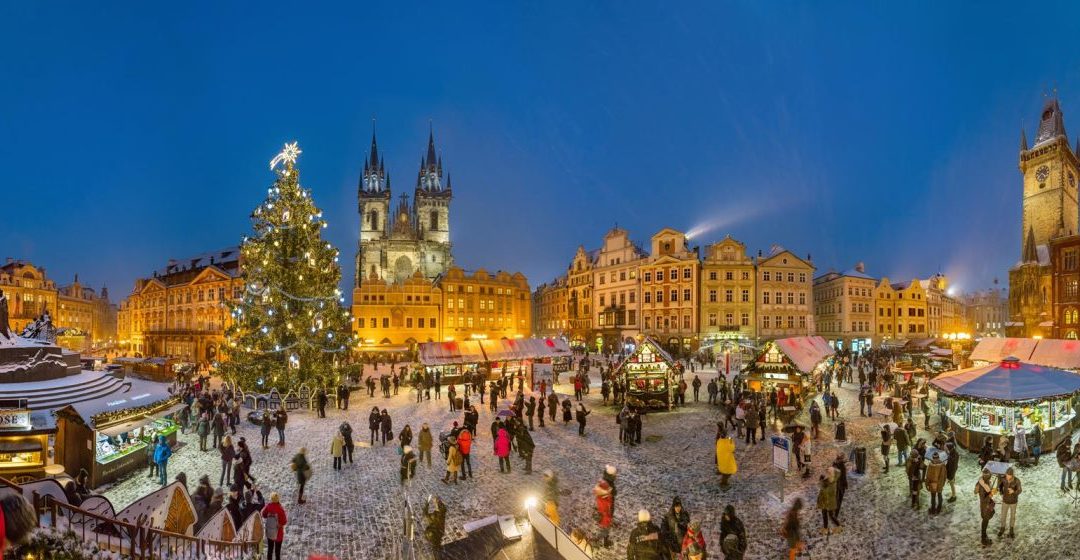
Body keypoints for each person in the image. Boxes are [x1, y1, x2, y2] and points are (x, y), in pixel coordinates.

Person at [998, 467, 1022, 539]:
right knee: (1003, 516)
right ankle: (1002, 528)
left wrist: (1013, 492)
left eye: (1009, 475)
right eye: (1006, 475)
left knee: (1012, 516)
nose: (1007, 476)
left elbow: (1020, 490)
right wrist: (1001, 492)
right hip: (1005, 501)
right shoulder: (1003, 479)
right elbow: (1000, 485)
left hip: (1013, 502)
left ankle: (1011, 530)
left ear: (1012, 475)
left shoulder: (1017, 481)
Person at [975, 468, 996, 546]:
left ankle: (984, 536)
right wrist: (990, 494)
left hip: (984, 504)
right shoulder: (983, 484)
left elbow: (975, 491)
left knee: (985, 520)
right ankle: (983, 539)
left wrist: (990, 491)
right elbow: (984, 497)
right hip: (985, 506)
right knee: (985, 520)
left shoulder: (981, 482)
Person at [817, 467, 840, 534]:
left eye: (829, 472)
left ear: (832, 473)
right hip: (824, 501)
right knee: (824, 514)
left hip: (830, 502)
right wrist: (822, 481)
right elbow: (822, 488)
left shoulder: (833, 482)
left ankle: (839, 526)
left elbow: (826, 491)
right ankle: (825, 528)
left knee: (831, 515)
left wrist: (822, 482)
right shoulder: (827, 479)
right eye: (827, 472)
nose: (827, 473)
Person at [593, 479, 614, 549]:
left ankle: (605, 542)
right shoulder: (603, 500)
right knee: (605, 532)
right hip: (605, 519)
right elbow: (607, 508)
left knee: (605, 531)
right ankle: (596, 540)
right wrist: (609, 519)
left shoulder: (601, 497)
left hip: (605, 518)